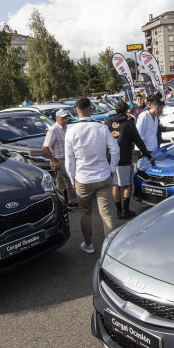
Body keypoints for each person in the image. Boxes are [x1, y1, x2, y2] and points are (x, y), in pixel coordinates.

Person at [64, 97, 120, 254]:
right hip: (103, 176)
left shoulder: (70, 131)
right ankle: (110, 249)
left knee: (85, 213)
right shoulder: (101, 128)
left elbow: (69, 161)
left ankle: (89, 245)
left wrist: (72, 178)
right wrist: (112, 168)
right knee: (107, 214)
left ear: (76, 110)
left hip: (82, 179)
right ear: (91, 109)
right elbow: (115, 150)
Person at [106, 102, 154, 219]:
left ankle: (118, 211)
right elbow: (138, 141)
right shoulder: (129, 123)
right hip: (124, 158)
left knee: (115, 185)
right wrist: (148, 155)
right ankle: (125, 210)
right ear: (126, 111)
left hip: (110, 159)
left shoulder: (107, 123)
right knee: (127, 184)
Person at [42, 108, 74, 210]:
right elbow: (45, 147)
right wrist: (54, 161)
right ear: (57, 118)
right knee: (60, 185)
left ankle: (70, 201)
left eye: (66, 118)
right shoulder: (53, 130)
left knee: (69, 180)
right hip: (58, 160)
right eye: (62, 118)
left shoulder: (65, 128)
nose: (65, 120)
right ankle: (62, 205)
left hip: (66, 159)